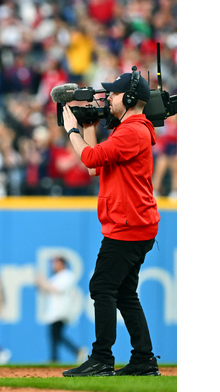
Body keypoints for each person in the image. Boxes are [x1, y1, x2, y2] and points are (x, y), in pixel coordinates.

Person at [60, 69, 161, 377]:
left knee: (102, 286)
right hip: (134, 223)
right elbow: (95, 166)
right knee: (124, 293)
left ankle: (101, 358)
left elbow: (89, 159)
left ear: (129, 98)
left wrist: (72, 130)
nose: (108, 99)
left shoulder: (132, 131)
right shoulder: (131, 129)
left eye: (114, 94)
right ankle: (144, 359)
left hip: (128, 225)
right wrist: (90, 126)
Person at [35, 257, 88, 363]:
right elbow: (45, 290)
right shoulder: (56, 277)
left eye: (56, 263)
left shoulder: (67, 275)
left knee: (55, 334)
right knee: (55, 335)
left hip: (61, 310)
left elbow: (55, 289)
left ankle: (58, 356)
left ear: (63, 264)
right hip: (54, 311)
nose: (54, 265)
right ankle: (69, 353)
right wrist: (39, 283)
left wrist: (43, 281)